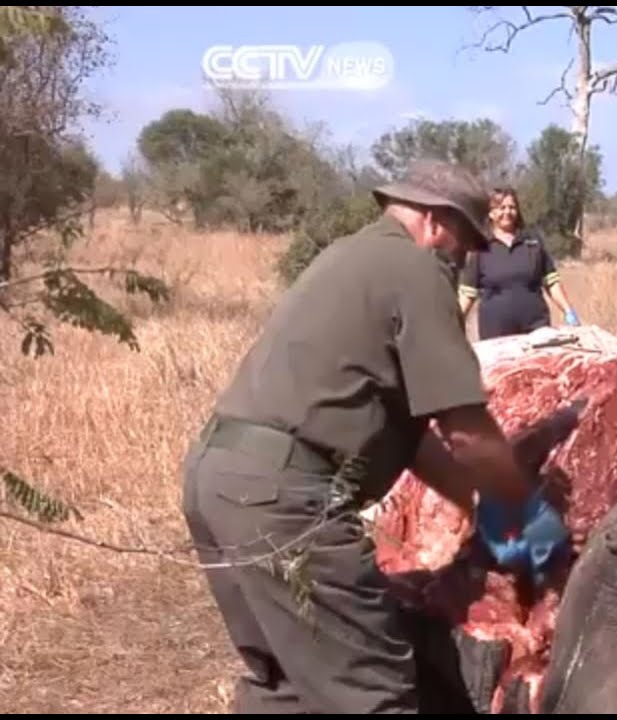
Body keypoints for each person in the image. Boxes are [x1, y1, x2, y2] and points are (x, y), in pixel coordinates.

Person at [179, 158, 570, 714]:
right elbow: (463, 427)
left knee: (286, 684)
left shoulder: (350, 256)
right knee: (373, 691)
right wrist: (528, 521)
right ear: (437, 222)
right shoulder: (415, 269)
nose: (468, 258)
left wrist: (475, 503)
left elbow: (408, 434)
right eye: (466, 242)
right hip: (285, 501)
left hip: (218, 482)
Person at [457, 186, 581, 340]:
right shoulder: (480, 247)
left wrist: (569, 311)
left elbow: (551, 281)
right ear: (490, 213)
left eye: (512, 207)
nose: (507, 212)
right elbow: (467, 294)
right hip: (496, 333)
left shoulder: (533, 241)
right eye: (501, 208)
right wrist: (454, 325)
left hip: (536, 328)